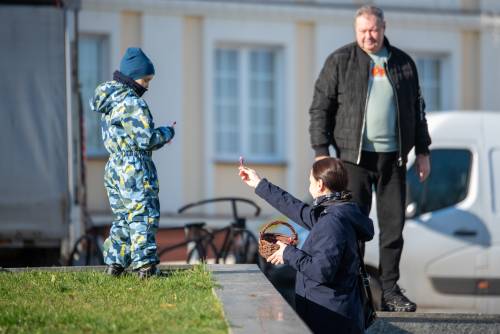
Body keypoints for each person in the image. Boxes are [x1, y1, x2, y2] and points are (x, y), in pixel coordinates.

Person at [308, 4, 432, 311]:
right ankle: (356, 291)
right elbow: (320, 108)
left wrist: (424, 150)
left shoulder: (403, 63)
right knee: (354, 227)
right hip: (354, 159)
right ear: (355, 31)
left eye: (374, 30)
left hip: (394, 160)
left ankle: (390, 291)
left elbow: (417, 110)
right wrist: (321, 152)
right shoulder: (340, 61)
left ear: (384, 27)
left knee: (393, 228)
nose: (368, 37)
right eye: (362, 31)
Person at [239, 158, 374, 334]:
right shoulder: (337, 211)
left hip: (331, 320)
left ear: (320, 184)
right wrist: (258, 183)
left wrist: (287, 252)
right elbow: (296, 208)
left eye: (310, 181)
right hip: (335, 313)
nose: (309, 186)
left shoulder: (332, 221)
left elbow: (321, 271)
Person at [90, 47, 175, 278]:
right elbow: (146, 139)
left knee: (123, 218)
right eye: (145, 79)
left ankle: (115, 266)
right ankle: (146, 268)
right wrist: (167, 132)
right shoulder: (132, 103)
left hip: (114, 168)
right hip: (133, 168)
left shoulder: (111, 103)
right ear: (132, 75)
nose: (147, 85)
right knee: (142, 215)